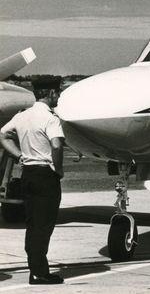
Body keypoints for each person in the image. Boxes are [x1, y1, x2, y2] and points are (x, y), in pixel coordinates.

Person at [0, 76, 65, 285]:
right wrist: (59, 169)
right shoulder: (50, 118)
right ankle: (39, 272)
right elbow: (56, 145)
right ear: (51, 93)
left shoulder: (22, 116)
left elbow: (3, 135)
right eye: (58, 92)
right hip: (46, 175)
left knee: (33, 224)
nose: (59, 95)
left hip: (28, 173)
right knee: (44, 225)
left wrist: (19, 155)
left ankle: (36, 269)